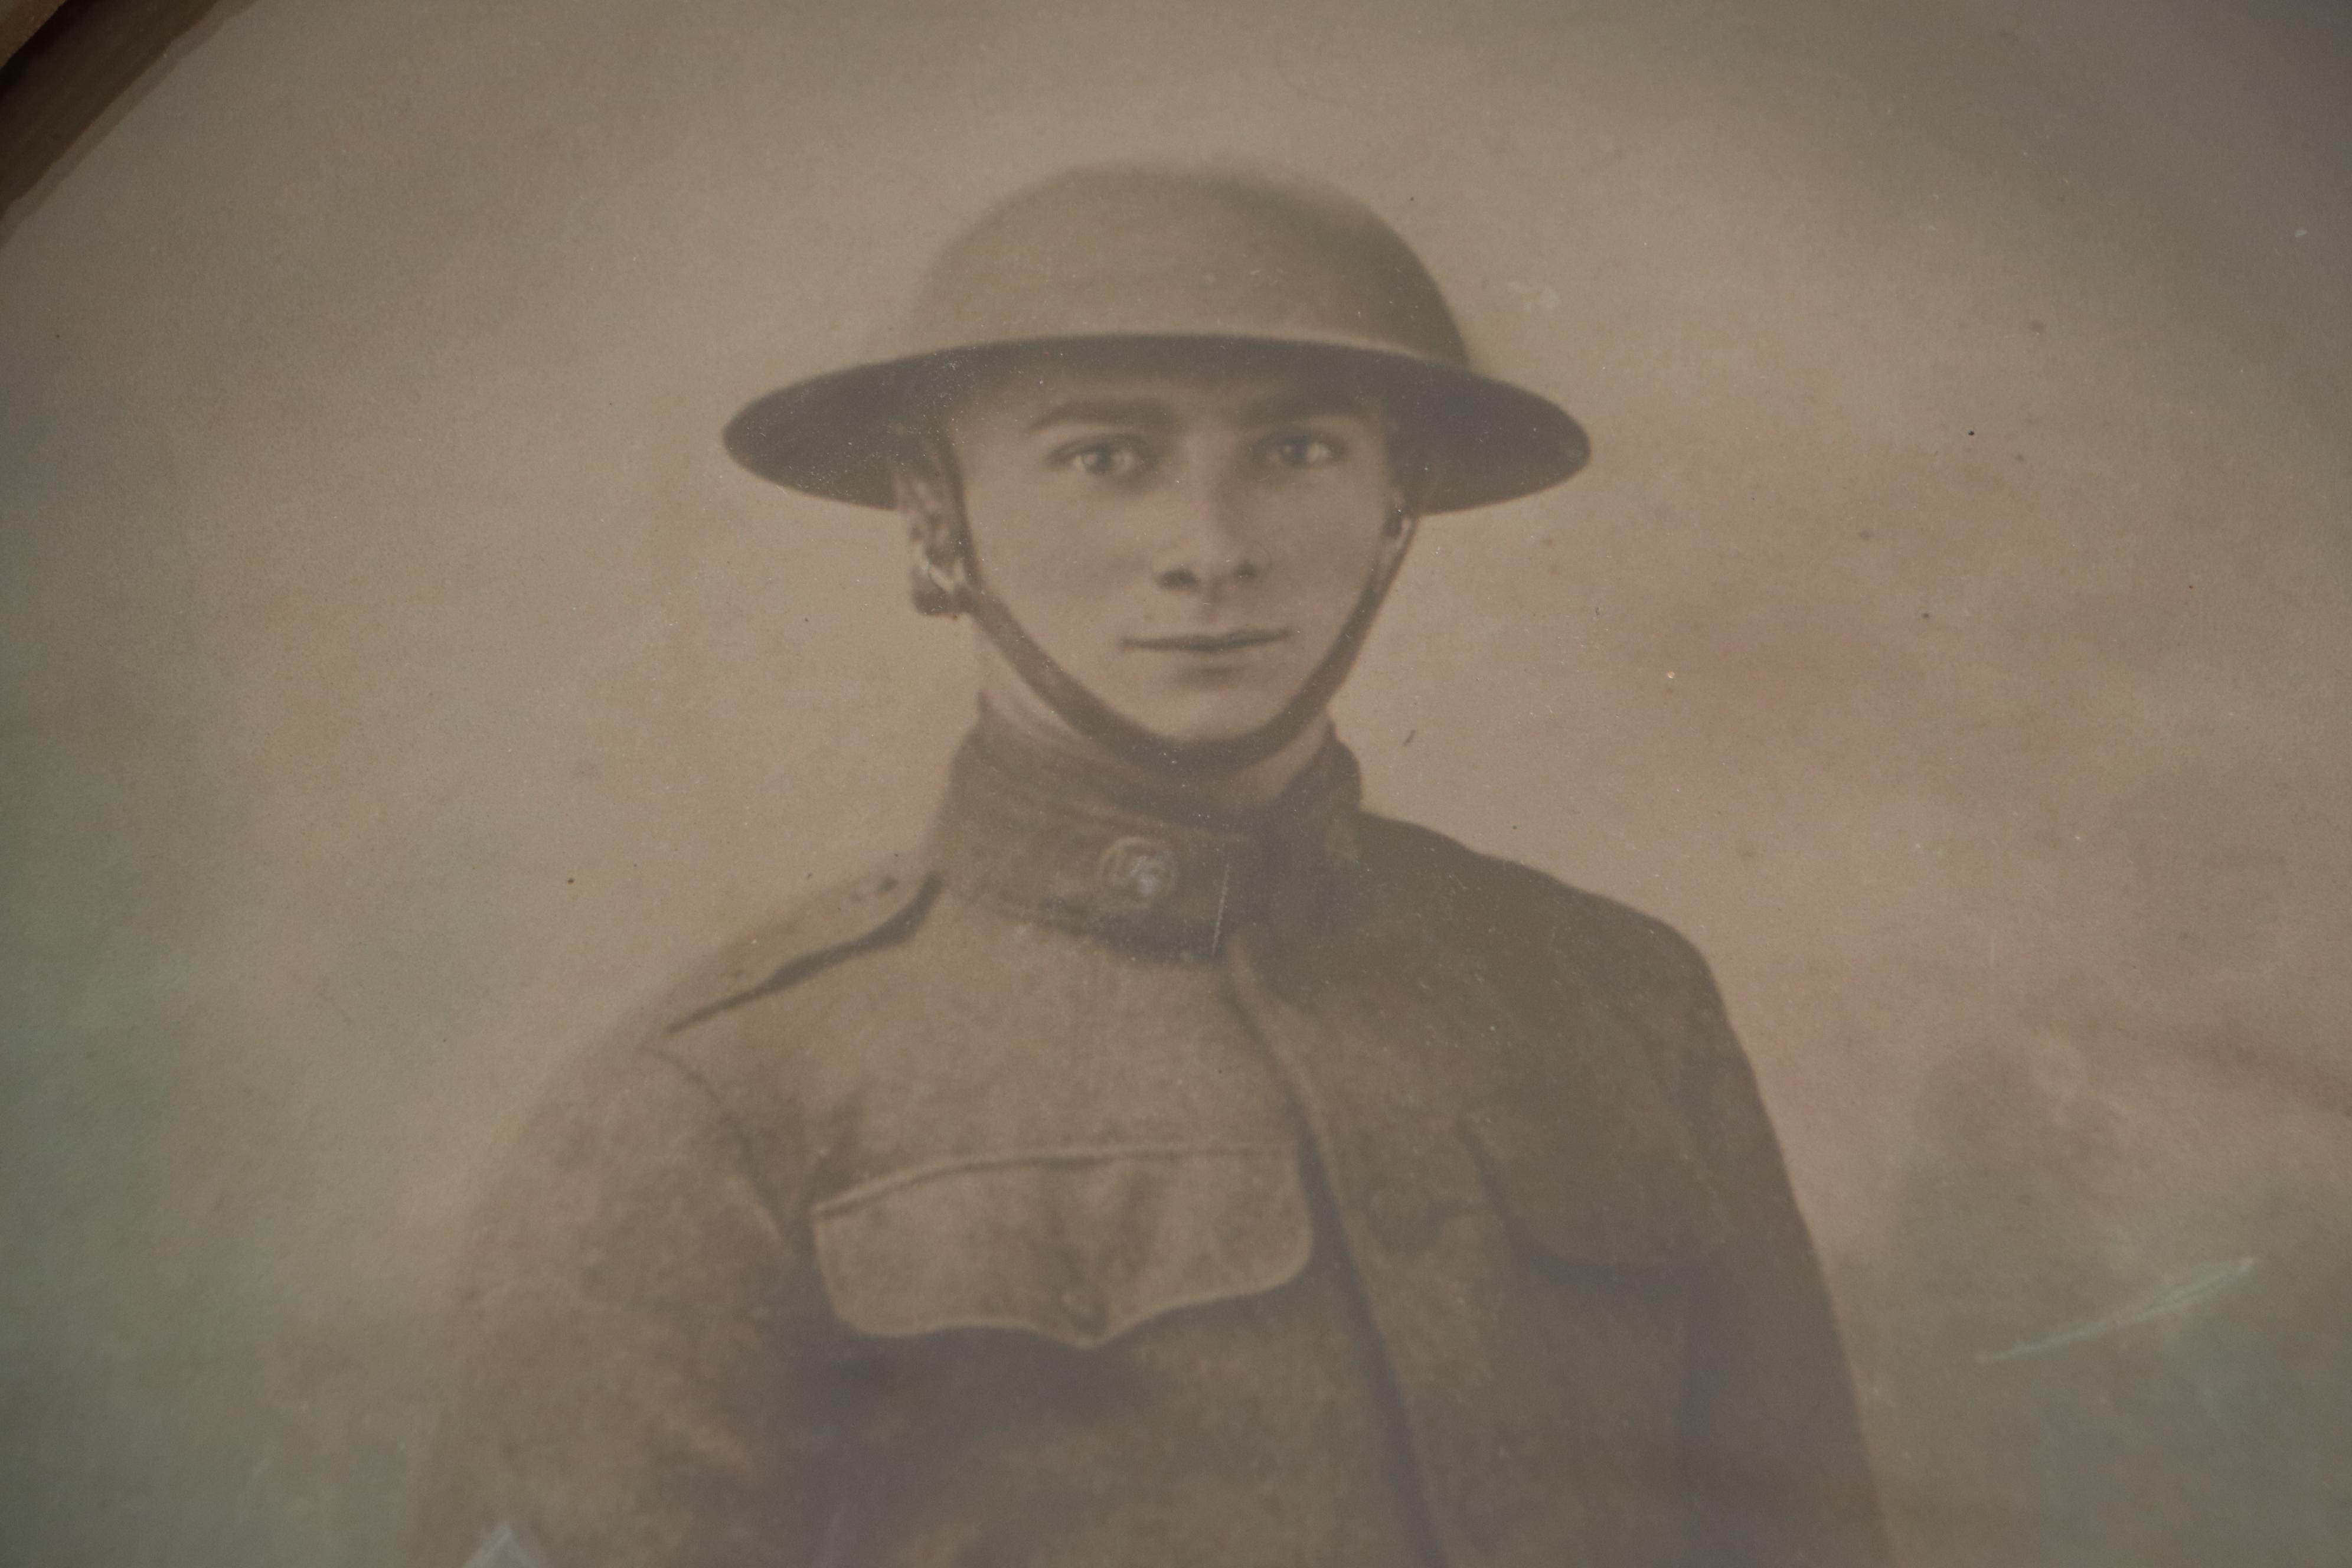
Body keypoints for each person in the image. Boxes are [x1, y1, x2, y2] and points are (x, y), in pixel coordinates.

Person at [409, 164, 1892, 1568]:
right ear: (939, 512)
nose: (1210, 545)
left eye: (1296, 451)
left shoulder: (1619, 998)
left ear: (1397, 504)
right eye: (1108, 459)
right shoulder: (727, 1102)